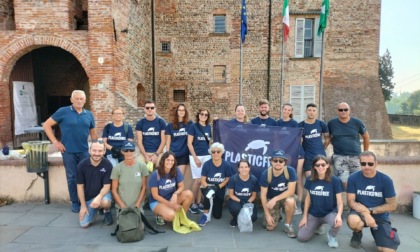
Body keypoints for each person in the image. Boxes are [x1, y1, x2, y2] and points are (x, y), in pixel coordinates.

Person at [43, 90, 97, 213]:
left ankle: (87, 200)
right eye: (76, 99)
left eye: (81, 99)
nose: (79, 101)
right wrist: (56, 142)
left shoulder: (89, 114)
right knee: (72, 177)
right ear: (71, 100)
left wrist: (96, 147)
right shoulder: (63, 111)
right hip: (68, 152)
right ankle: (75, 202)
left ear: (85, 100)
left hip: (84, 151)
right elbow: (46, 125)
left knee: (87, 176)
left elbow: (93, 133)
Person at [346, 151, 400, 251]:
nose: (366, 167)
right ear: (360, 163)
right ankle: (357, 233)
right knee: (353, 221)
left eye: (370, 164)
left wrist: (370, 211)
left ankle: (388, 233)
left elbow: (392, 205)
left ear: (376, 163)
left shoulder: (386, 180)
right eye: (363, 163)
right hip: (359, 213)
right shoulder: (353, 178)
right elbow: (350, 201)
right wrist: (366, 214)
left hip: (380, 215)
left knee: (386, 250)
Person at [297, 155, 344, 248]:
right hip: (314, 213)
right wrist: (304, 217)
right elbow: (307, 199)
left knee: (337, 223)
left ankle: (331, 236)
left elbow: (340, 202)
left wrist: (339, 215)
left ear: (327, 165)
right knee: (301, 237)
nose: (320, 167)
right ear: (314, 167)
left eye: (323, 164)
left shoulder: (335, 181)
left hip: (329, 213)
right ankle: (317, 226)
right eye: (317, 165)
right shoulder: (310, 179)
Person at [327, 102, 370, 190]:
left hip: (356, 157)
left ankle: (355, 202)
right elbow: (328, 138)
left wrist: (365, 153)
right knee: (343, 182)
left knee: (358, 181)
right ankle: (348, 201)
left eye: (345, 109)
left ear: (349, 110)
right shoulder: (331, 123)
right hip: (339, 157)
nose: (343, 111)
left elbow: (366, 137)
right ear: (337, 111)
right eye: (340, 110)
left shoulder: (357, 122)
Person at [260, 149, 297, 238]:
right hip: (271, 200)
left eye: (281, 160)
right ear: (271, 161)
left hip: (284, 197)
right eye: (275, 160)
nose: (278, 163)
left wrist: (275, 198)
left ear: (285, 162)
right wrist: (268, 215)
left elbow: (291, 191)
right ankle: (278, 214)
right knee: (270, 227)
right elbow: (263, 195)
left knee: (291, 201)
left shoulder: (290, 171)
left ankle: (288, 225)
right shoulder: (266, 174)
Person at [148, 151, 194, 225]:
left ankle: (181, 218)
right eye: (168, 160)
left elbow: (181, 186)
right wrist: (171, 204)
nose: (170, 162)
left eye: (172, 160)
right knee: (171, 215)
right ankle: (160, 215)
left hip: (170, 198)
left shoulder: (176, 170)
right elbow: (155, 196)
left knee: (189, 194)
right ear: (163, 161)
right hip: (157, 201)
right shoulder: (155, 174)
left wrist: (175, 194)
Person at [76, 140, 113, 228]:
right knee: (84, 224)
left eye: (100, 151)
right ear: (89, 150)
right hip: (88, 197)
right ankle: (94, 209)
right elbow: (80, 187)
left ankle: (106, 211)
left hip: (102, 195)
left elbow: (107, 186)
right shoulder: (82, 165)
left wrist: (98, 198)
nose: (97, 153)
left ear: (104, 151)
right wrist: (83, 206)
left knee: (105, 203)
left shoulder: (107, 164)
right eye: (94, 150)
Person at [278, 103, 305, 214]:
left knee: (297, 177)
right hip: (283, 153)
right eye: (285, 109)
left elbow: (300, 140)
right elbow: (275, 137)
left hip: (297, 153)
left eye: (289, 110)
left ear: (291, 111)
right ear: (282, 110)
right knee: (282, 177)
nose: (287, 111)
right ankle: (282, 203)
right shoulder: (278, 123)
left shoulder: (294, 123)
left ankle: (298, 205)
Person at [198, 142, 232, 227]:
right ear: (210, 153)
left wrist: (219, 186)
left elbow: (228, 179)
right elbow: (202, 179)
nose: (216, 153)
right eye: (213, 152)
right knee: (207, 194)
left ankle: (213, 205)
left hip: (219, 188)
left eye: (218, 151)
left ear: (222, 152)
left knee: (217, 216)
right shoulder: (207, 164)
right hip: (208, 186)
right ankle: (205, 215)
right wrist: (208, 187)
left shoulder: (226, 165)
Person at [111, 141, 148, 213]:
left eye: (131, 150)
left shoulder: (142, 166)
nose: (129, 153)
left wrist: (138, 204)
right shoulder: (117, 168)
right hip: (121, 206)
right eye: (126, 150)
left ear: (135, 151)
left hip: (137, 205)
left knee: (138, 224)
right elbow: (114, 190)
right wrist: (122, 205)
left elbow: (144, 187)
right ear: (122, 152)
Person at [187, 108, 212, 214]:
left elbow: (209, 142)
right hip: (195, 156)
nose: (204, 116)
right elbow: (189, 143)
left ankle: (199, 202)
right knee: (197, 180)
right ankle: (191, 202)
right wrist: (196, 158)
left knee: (203, 180)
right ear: (198, 115)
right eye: (202, 114)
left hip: (206, 156)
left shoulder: (208, 127)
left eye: (206, 115)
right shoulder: (193, 127)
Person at [298, 103, 330, 178]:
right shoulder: (300, 125)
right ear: (306, 111)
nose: (311, 112)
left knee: (322, 178)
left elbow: (327, 139)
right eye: (309, 110)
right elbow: (298, 141)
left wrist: (322, 148)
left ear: (316, 112)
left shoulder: (321, 124)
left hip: (321, 156)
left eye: (313, 110)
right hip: (307, 157)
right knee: (309, 179)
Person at [227, 159, 259, 227]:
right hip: (237, 201)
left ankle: (244, 218)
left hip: (248, 201)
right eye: (241, 167)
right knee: (235, 208)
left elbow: (254, 195)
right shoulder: (233, 179)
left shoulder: (254, 179)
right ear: (238, 169)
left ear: (249, 168)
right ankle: (235, 217)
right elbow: (231, 195)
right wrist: (240, 201)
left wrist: (247, 202)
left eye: (246, 167)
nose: (244, 169)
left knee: (253, 218)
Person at [135, 100, 166, 166]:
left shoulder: (161, 122)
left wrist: (156, 155)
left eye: (152, 108)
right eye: (147, 108)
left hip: (158, 152)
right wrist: (145, 156)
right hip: (144, 152)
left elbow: (163, 141)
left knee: (162, 166)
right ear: (144, 109)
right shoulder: (140, 123)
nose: (150, 109)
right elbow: (139, 142)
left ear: (155, 109)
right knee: (138, 165)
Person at [165, 104, 193, 175]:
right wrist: (167, 154)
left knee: (180, 176)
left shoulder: (189, 124)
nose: (181, 112)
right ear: (176, 112)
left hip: (183, 154)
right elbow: (168, 141)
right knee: (170, 175)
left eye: (183, 110)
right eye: (179, 110)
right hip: (173, 153)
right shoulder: (170, 125)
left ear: (185, 112)